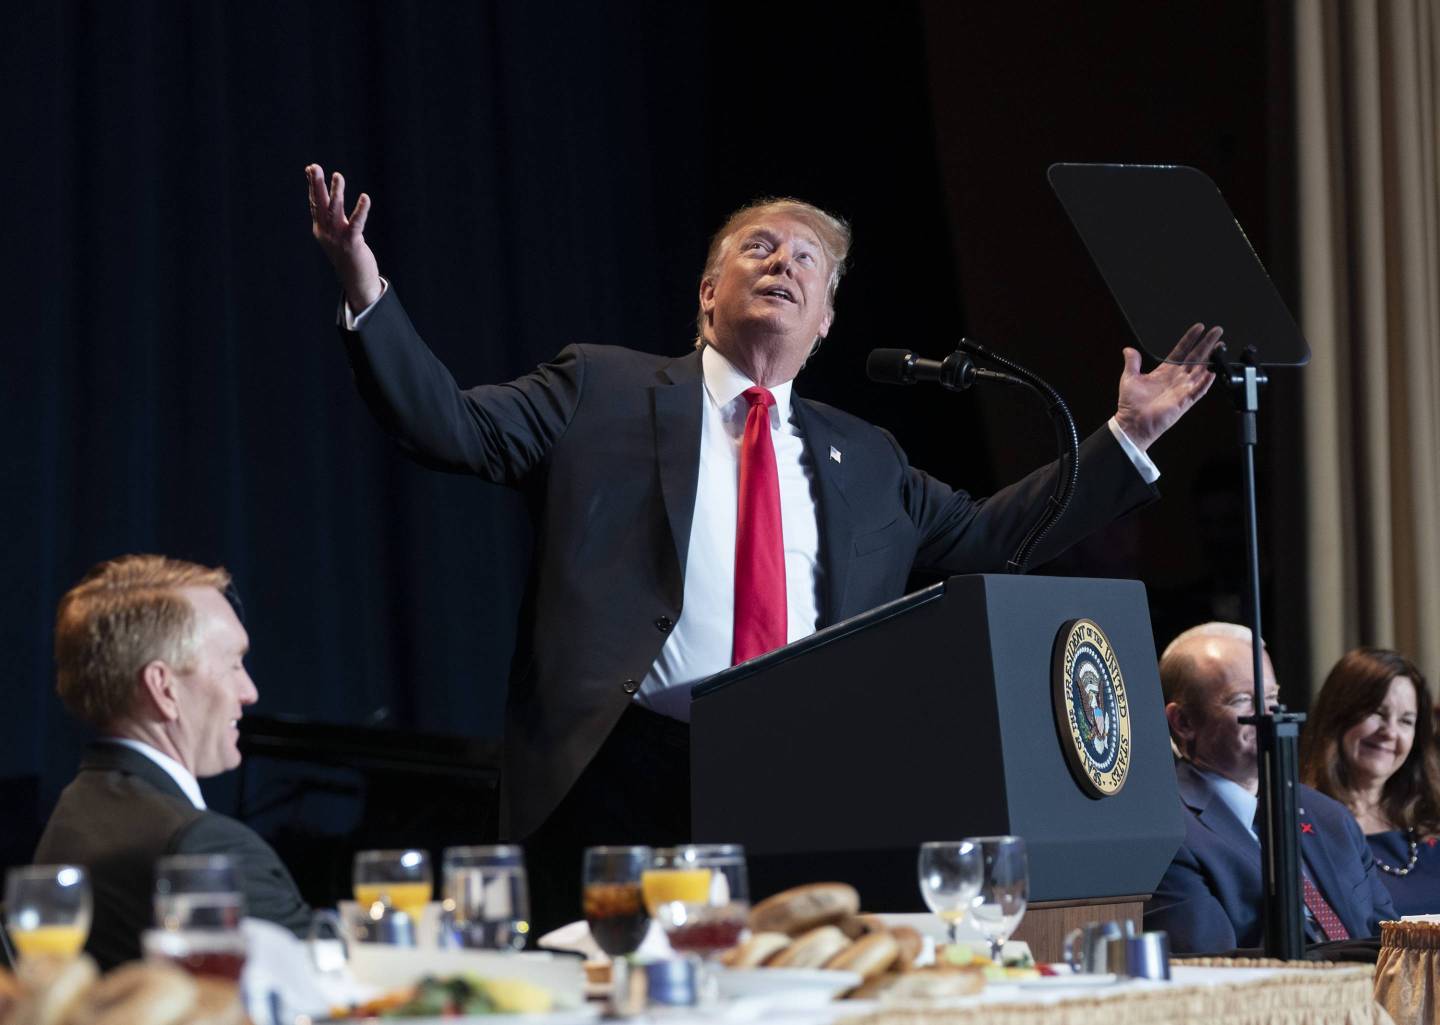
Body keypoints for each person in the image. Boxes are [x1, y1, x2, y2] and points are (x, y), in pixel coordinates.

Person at [305, 165, 1220, 929]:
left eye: (807, 260)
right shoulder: (602, 389)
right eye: (759, 247)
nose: (783, 260)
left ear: (824, 319)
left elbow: (985, 538)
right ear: (708, 294)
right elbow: (448, 427)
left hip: (805, 784)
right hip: (623, 773)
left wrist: (1123, 439)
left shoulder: (865, 458)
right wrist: (363, 288)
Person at [34, 555, 311, 969]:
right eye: (233, 664)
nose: (249, 691)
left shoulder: (75, 810)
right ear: (164, 688)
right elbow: (317, 994)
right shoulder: (203, 847)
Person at [1145, 622, 1396, 952]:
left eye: (1272, 696)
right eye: (1243, 700)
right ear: (1183, 722)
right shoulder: (1167, 833)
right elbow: (1212, 970)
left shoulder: (1330, 818)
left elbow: (1393, 948)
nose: (1269, 714)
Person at [1301, 648, 1440, 915]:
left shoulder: (1432, 816)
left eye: (1406, 721)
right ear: (1338, 715)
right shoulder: (1301, 824)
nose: (1389, 732)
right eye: (1377, 712)